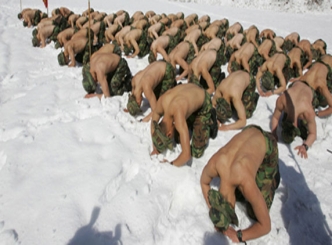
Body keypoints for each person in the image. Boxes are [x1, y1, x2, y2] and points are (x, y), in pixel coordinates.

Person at [200, 124, 280, 243]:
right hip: (249, 130)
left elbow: (265, 226)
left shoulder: (245, 183)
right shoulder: (215, 164)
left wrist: (239, 235)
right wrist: (214, 208)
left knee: (254, 213)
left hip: (268, 145)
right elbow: (203, 182)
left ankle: (275, 175)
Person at [150, 83, 217, 166]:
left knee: (197, 151)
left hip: (204, 101)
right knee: (178, 139)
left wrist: (170, 164)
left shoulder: (178, 115)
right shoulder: (162, 102)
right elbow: (153, 120)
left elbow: (186, 155)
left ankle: (210, 117)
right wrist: (155, 146)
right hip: (191, 90)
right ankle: (192, 117)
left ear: (169, 134)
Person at [271, 81, 316, 158]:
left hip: (310, 90)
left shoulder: (308, 112)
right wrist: (274, 132)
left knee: (305, 132)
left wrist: (305, 146)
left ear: (296, 126)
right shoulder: (282, 100)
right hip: (295, 84)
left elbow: (313, 134)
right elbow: (275, 117)